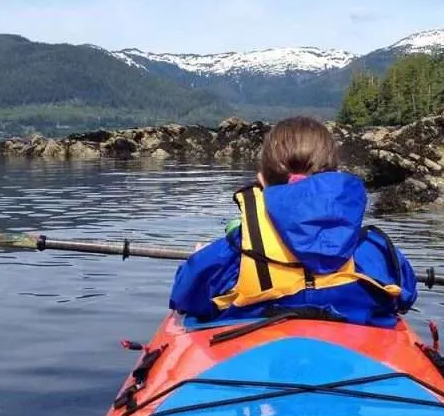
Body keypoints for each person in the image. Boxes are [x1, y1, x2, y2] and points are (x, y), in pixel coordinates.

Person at [170, 116, 418, 328]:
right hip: (359, 368)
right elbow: (407, 295)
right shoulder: (375, 252)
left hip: (256, 366)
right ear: (335, 177)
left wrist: (197, 261)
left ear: (261, 181)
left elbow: (183, 298)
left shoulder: (233, 252)